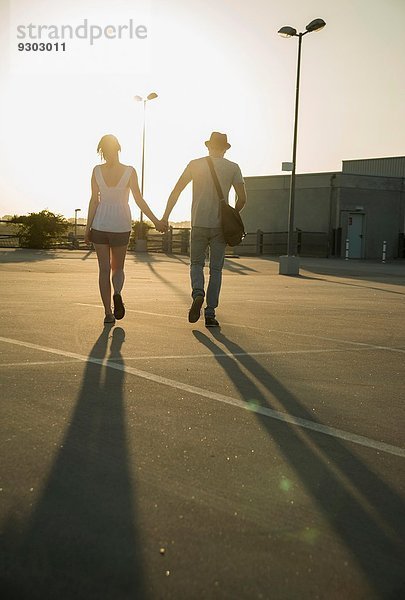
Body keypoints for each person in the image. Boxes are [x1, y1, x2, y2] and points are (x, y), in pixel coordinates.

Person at [162, 132, 247, 327]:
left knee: (196, 264)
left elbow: (176, 191)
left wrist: (165, 217)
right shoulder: (233, 168)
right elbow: (242, 199)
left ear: (209, 146)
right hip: (220, 227)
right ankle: (210, 313)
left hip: (198, 223)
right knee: (216, 269)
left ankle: (198, 293)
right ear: (225, 148)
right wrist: (230, 215)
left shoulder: (195, 164)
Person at [85, 134, 166, 325]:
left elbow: (94, 201)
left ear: (101, 151)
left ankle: (107, 313)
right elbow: (138, 200)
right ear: (119, 149)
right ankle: (118, 293)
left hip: (100, 224)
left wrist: (88, 228)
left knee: (103, 269)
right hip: (121, 224)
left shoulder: (96, 171)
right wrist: (155, 221)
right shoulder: (130, 172)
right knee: (118, 267)